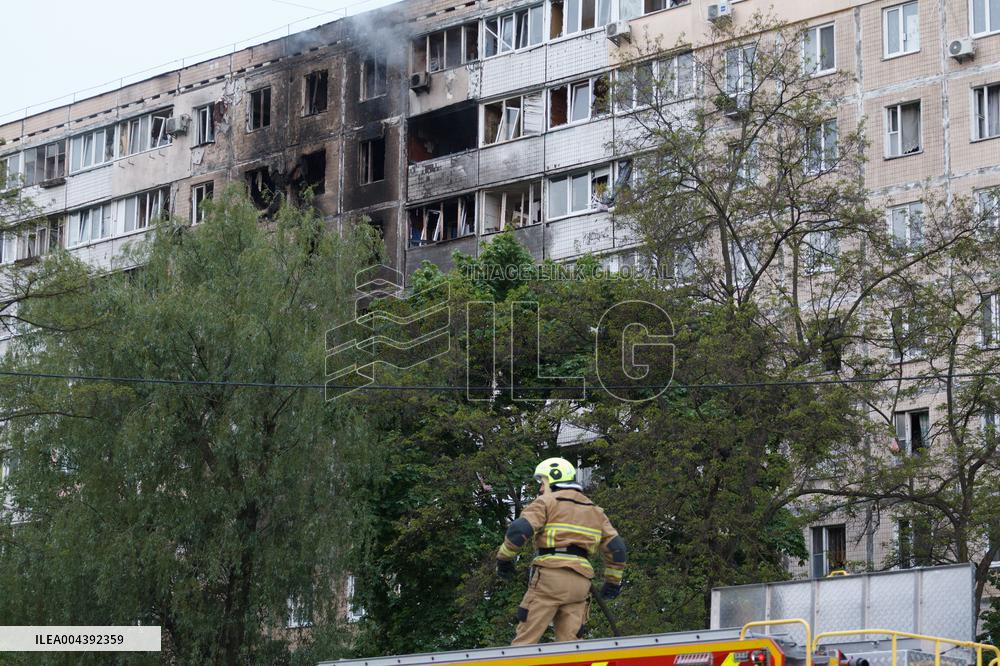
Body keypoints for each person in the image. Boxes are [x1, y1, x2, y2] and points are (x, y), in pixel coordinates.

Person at [496, 457, 627, 645]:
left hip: (550, 577)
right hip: (581, 584)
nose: (541, 489)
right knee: (571, 647)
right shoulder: (595, 511)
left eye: (543, 482)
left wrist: (504, 560)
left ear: (553, 479)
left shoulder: (546, 502)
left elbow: (518, 530)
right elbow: (617, 549)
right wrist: (613, 582)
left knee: (525, 642)